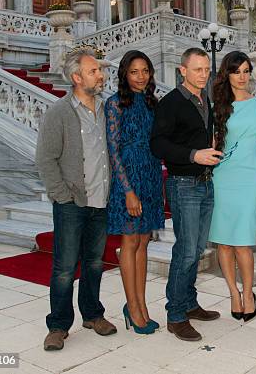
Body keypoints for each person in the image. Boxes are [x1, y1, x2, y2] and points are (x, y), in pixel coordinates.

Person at [36, 47, 117, 351]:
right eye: (94, 71)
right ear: (76, 77)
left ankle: (93, 315)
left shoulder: (106, 109)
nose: (101, 75)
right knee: (65, 267)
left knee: (95, 263)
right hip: (72, 203)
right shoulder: (59, 113)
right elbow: (45, 158)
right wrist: (62, 196)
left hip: (101, 200)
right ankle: (58, 325)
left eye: (99, 70)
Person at [151, 47, 222, 342]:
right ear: (183, 71)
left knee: (197, 249)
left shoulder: (205, 99)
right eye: (197, 70)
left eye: (206, 69)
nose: (203, 75)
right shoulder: (171, 103)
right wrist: (194, 155)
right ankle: (176, 314)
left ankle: (189, 303)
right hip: (183, 185)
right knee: (186, 250)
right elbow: (158, 144)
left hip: (206, 183)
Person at [209, 51, 256, 322]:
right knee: (224, 243)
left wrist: (251, 167)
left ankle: (248, 294)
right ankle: (233, 293)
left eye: (247, 71)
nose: (243, 76)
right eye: (237, 71)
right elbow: (211, 145)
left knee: (243, 244)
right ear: (228, 75)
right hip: (221, 180)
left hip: (248, 180)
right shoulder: (216, 108)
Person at [105, 50, 164, 335]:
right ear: (124, 75)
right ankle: (133, 306)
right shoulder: (115, 104)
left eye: (145, 71)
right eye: (134, 72)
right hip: (127, 178)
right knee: (130, 241)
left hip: (151, 175)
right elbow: (113, 151)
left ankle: (140, 306)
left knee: (144, 241)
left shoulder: (154, 103)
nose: (141, 77)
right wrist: (128, 191)